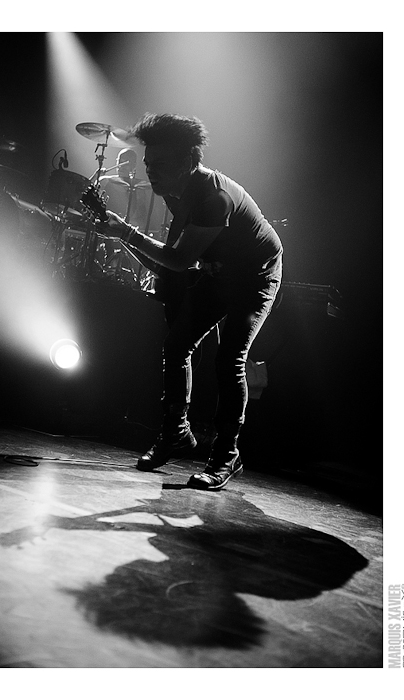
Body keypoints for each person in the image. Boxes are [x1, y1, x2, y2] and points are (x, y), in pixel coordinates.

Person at [97, 113, 283, 491]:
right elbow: (176, 258)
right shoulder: (173, 189)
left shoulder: (213, 198)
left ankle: (227, 456)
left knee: (229, 358)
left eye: (159, 165)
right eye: (148, 163)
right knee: (176, 344)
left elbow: (179, 260)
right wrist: (123, 238)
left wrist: (127, 233)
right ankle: (176, 434)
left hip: (254, 279)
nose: (151, 172)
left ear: (186, 162)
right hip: (218, 273)